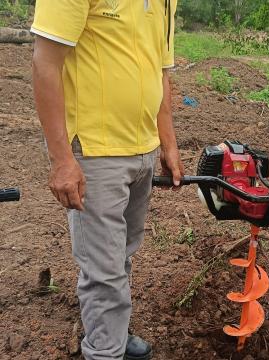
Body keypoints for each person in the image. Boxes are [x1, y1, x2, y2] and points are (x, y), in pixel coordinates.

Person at [31, 1, 183, 359]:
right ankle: (104, 350)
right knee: (104, 272)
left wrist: (168, 143)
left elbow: (159, 69)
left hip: (143, 148)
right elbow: (45, 62)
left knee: (122, 256)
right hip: (96, 151)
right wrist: (62, 159)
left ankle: (112, 329)